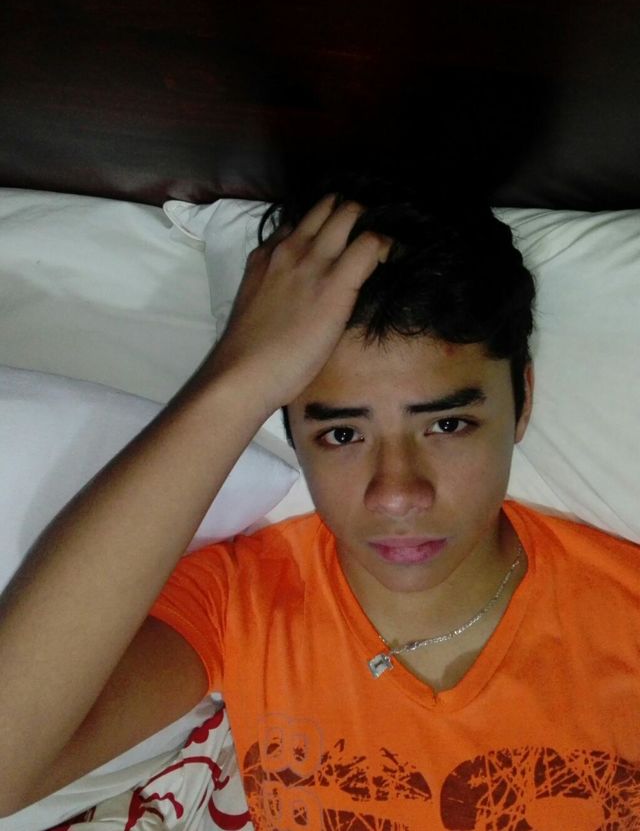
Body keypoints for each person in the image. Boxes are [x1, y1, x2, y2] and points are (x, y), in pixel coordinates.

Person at [1, 173, 639, 829]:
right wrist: (236, 380)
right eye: (342, 434)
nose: (397, 493)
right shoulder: (242, 601)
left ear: (522, 403)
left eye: (447, 425)